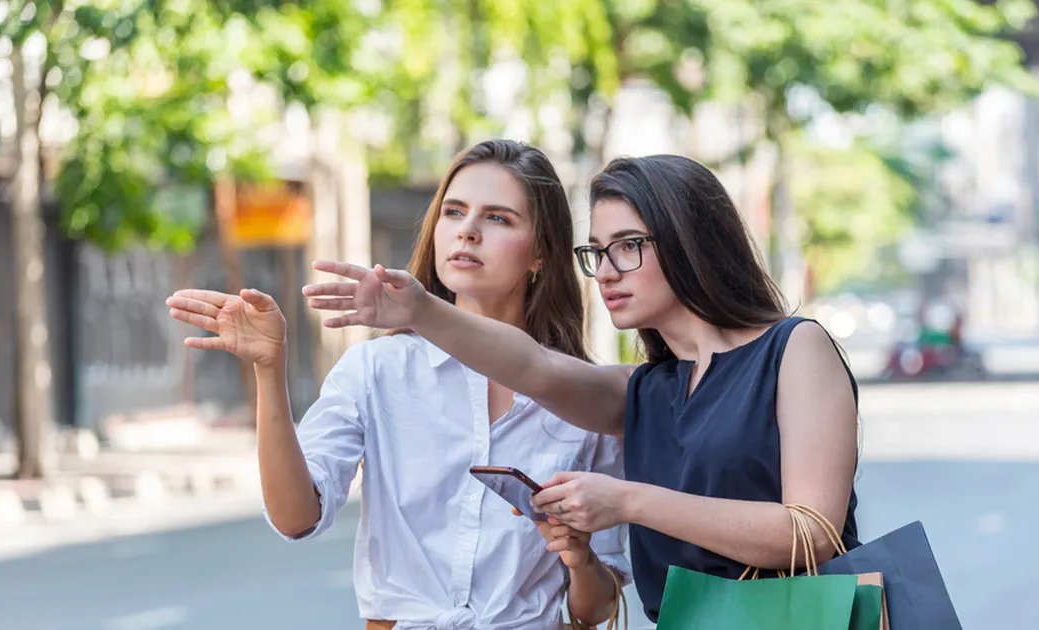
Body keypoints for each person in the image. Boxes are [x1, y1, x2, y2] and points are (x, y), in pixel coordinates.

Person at [305, 154, 861, 623]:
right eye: (597, 252)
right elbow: (535, 368)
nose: (607, 272)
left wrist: (628, 501)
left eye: (627, 246)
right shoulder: (645, 391)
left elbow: (810, 532)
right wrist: (422, 311)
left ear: (692, 242)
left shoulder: (793, 349)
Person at [165, 139, 629, 630]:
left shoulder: (585, 401)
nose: (467, 231)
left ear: (540, 253)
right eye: (454, 211)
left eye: (497, 218)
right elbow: (296, 518)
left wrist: (578, 558)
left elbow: (596, 609)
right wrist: (268, 368)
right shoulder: (376, 370)